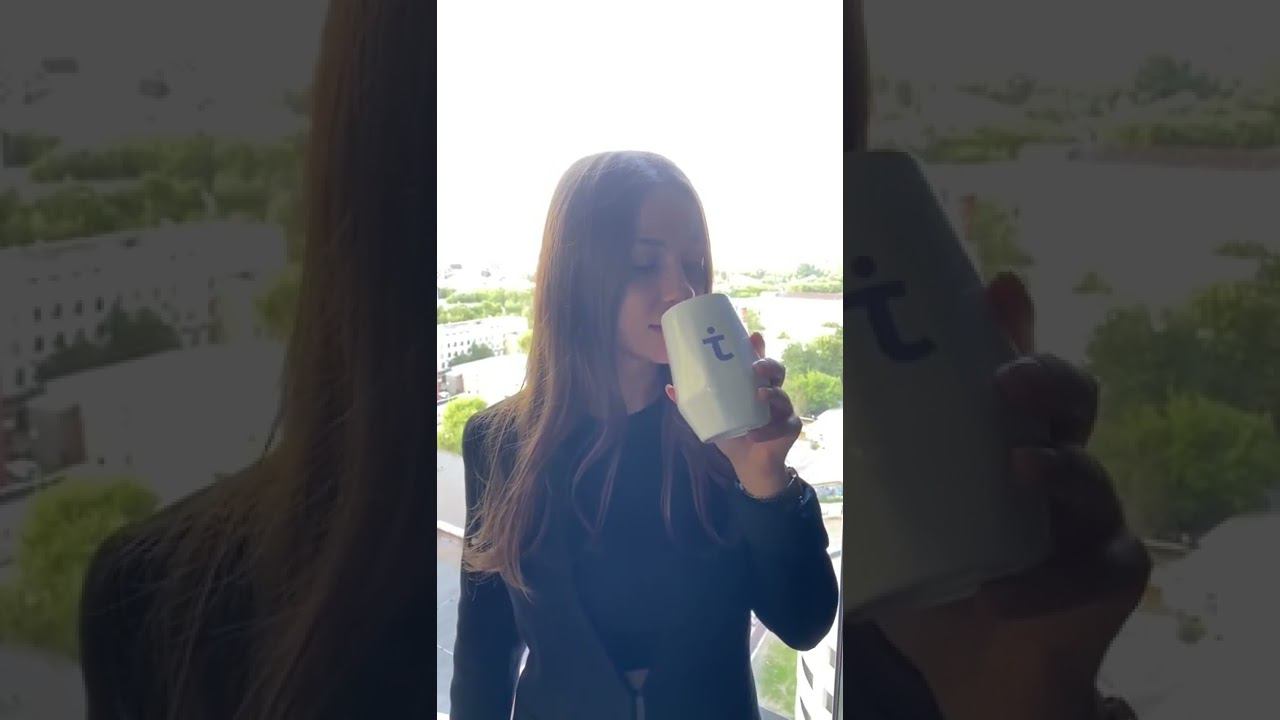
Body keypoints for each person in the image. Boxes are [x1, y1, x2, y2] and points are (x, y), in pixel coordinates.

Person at [448, 151, 839, 720]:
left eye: (693, 263)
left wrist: (766, 482)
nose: (680, 289)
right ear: (576, 277)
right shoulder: (499, 441)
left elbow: (805, 623)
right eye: (642, 263)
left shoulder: (724, 432)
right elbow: (484, 652)